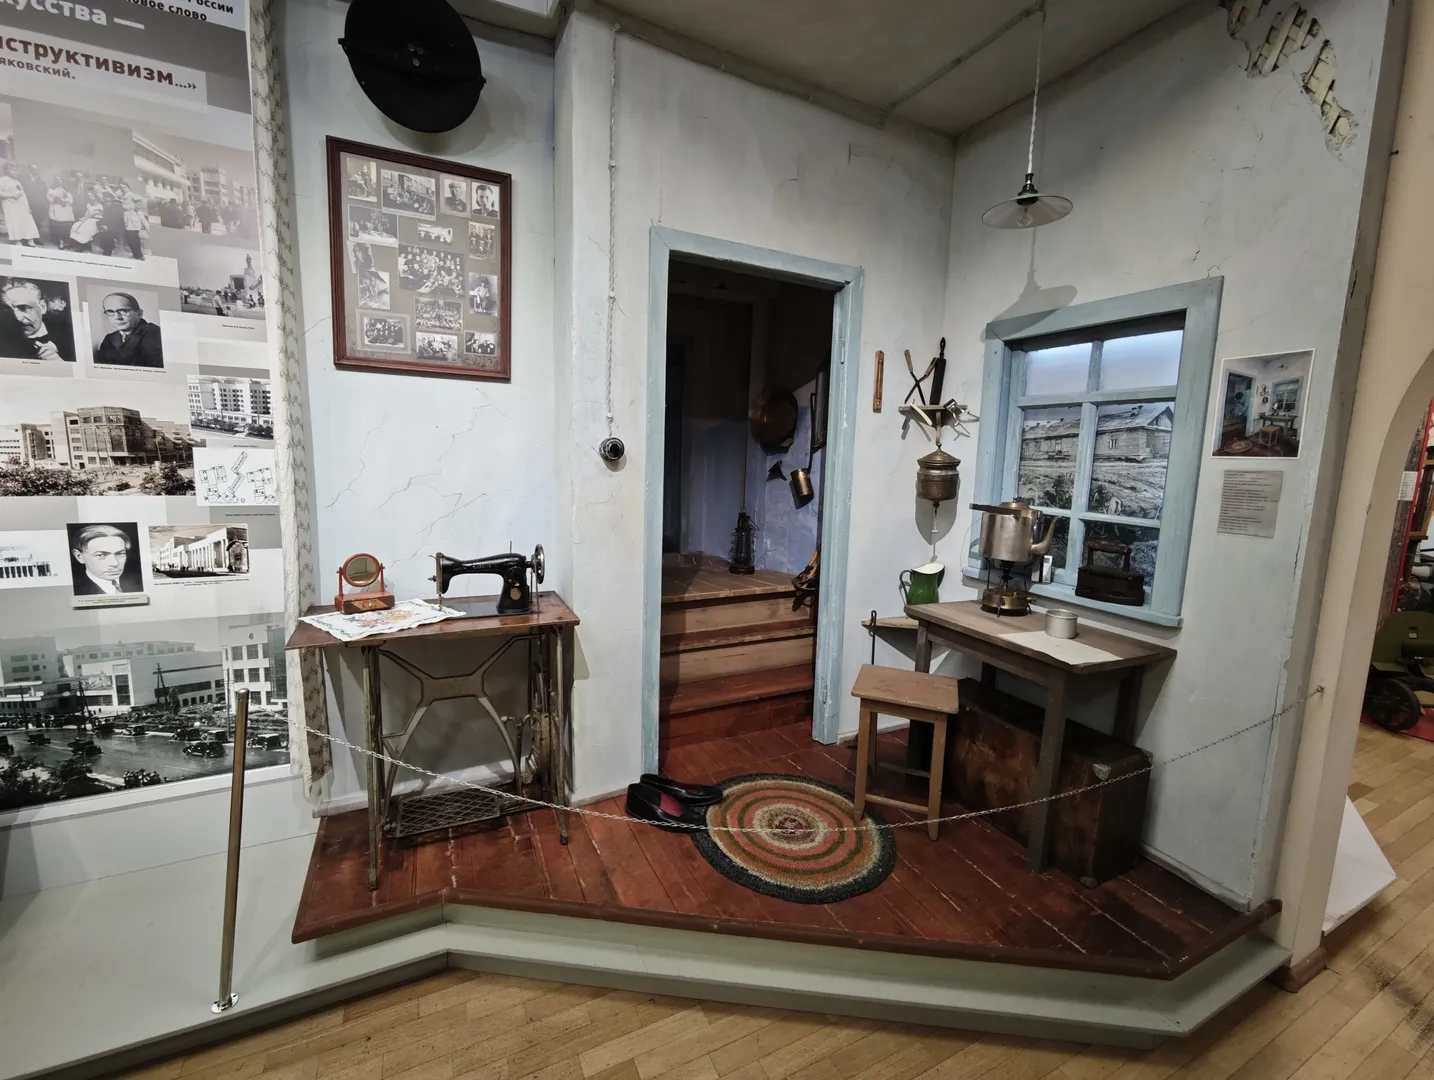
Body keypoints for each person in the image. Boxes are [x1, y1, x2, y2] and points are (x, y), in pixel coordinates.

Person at [0, 278, 74, 361]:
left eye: (23, 308)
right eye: (7, 310)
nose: (17, 317)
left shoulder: (71, 335)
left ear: (42, 307)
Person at [69, 525, 144, 596]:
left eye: (120, 554)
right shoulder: (75, 590)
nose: (115, 563)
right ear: (80, 556)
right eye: (101, 555)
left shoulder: (140, 582)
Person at [94, 291, 162, 368]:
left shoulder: (155, 334)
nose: (117, 317)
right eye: (110, 311)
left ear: (139, 313)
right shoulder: (109, 338)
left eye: (123, 311)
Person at [0, 163, 40, 246]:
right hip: (10, 204)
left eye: (15, 170)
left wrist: (28, 206)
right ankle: (17, 241)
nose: (14, 172)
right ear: (6, 170)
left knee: (27, 221)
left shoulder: (17, 181)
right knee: (14, 222)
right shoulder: (3, 180)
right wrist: (11, 195)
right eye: (12, 170)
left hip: (21, 205)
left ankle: (30, 240)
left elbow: (23, 194)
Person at [119, 182, 145, 259]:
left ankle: (139, 254)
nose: (123, 189)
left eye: (124, 187)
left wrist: (136, 207)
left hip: (132, 216)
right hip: (127, 216)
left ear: (128, 188)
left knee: (134, 237)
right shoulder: (124, 196)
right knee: (129, 237)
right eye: (122, 188)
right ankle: (135, 254)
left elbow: (142, 201)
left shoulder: (130, 194)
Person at [46, 176, 73, 248]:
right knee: (59, 225)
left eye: (60, 179)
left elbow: (70, 199)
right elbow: (50, 198)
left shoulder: (66, 189)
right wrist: (59, 201)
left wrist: (66, 202)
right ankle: (60, 241)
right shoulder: (51, 190)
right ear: (54, 181)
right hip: (56, 208)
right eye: (57, 180)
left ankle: (66, 240)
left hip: (66, 208)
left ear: (62, 181)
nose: (59, 181)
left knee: (66, 225)